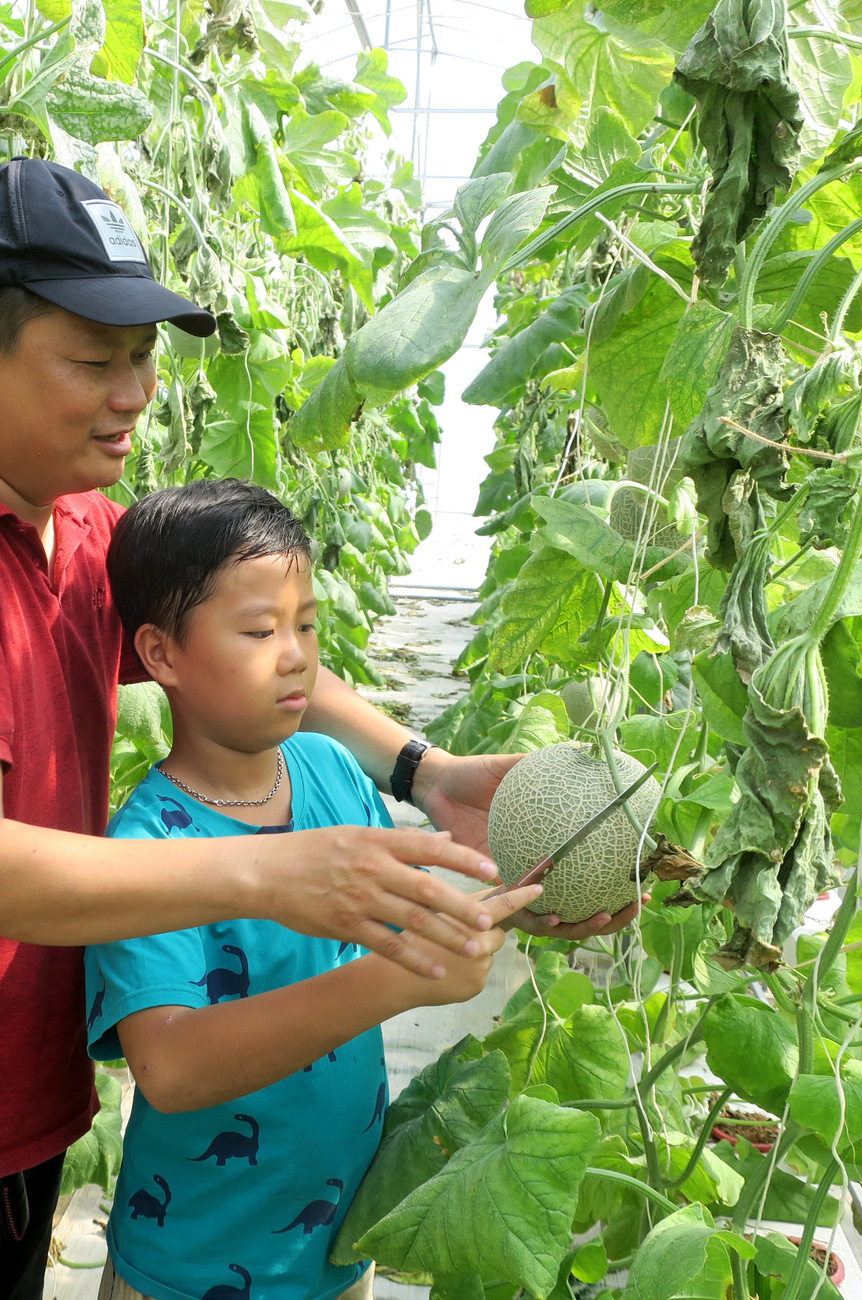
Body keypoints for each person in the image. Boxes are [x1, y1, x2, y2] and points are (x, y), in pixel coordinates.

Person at [0, 157, 640, 1299]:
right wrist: (270, 876)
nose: (135, 392)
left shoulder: (82, 531)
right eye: (94, 360)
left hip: (35, 1094)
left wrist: (431, 779)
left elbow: (234, 643)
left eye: (144, 357)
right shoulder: (172, 828)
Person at [86, 479, 532, 1300]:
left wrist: (532, 881)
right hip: (188, 1269)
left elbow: (411, 906)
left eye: (307, 624)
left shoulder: (329, 768)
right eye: (259, 630)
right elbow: (172, 1067)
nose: (296, 654)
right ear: (159, 655)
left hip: (330, 1254)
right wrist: (407, 975)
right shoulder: (146, 849)